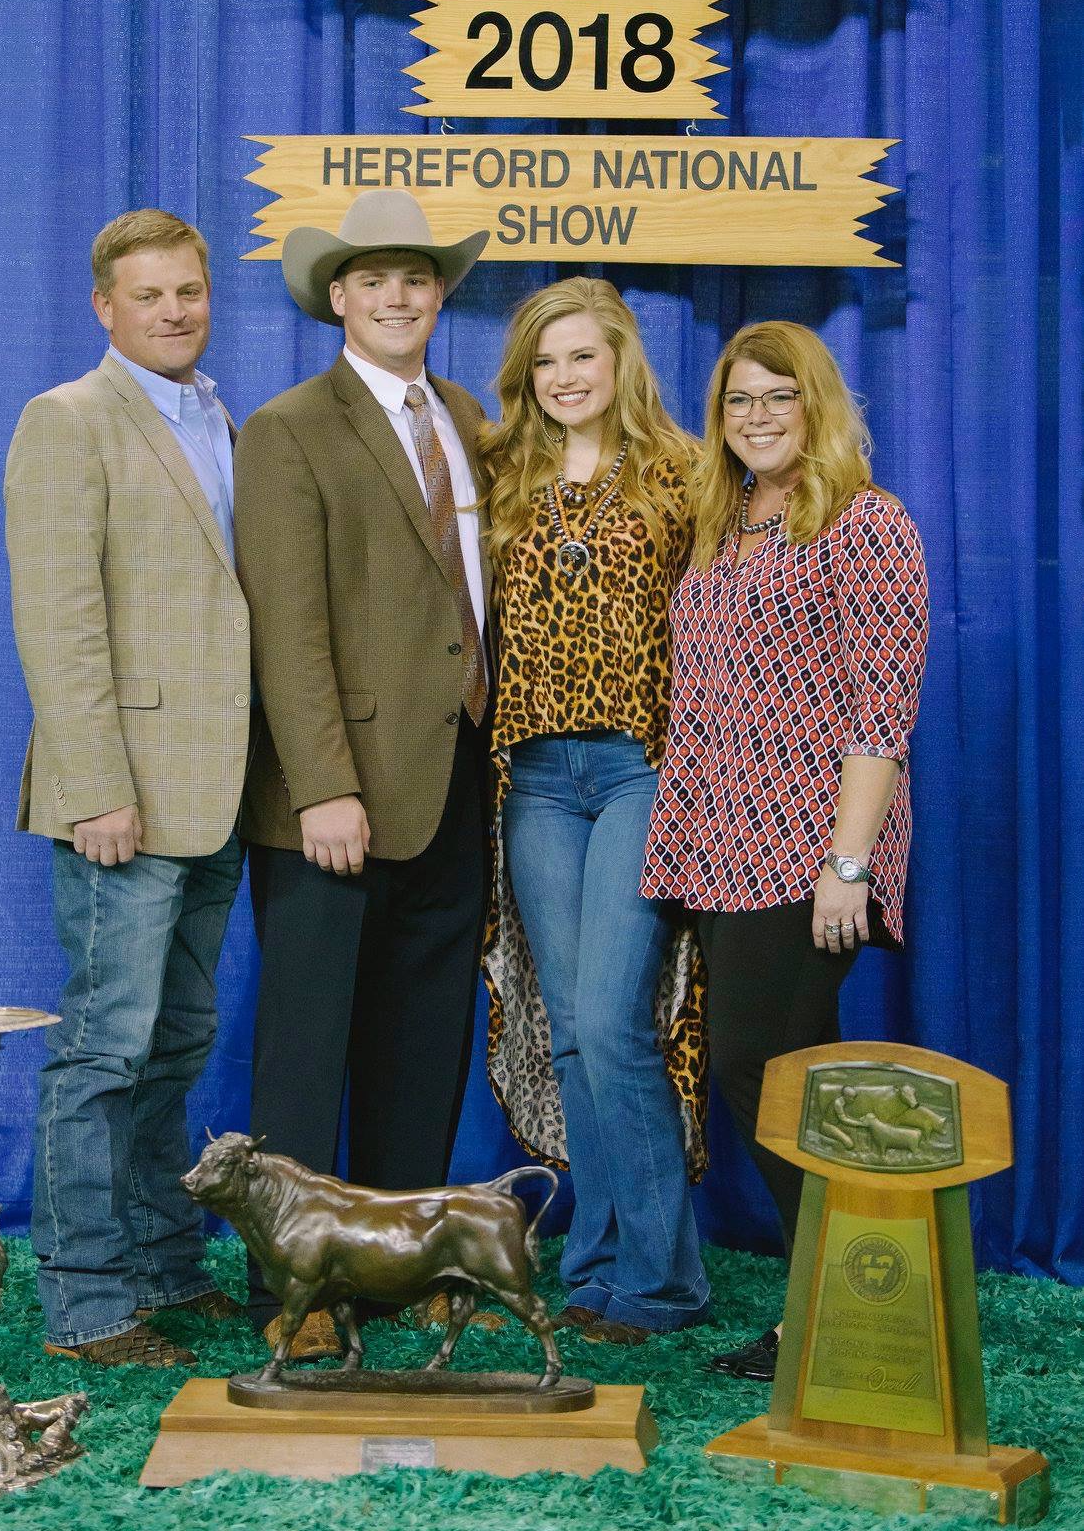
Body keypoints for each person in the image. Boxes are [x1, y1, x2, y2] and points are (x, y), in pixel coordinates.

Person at [642, 319, 929, 1381]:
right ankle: (840, 1306)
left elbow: (878, 711)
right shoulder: (726, 522)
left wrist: (847, 864)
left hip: (812, 846)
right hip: (721, 840)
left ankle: (849, 1305)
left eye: (777, 396)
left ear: (817, 405)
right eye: (736, 400)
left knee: (766, 1065)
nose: (755, 417)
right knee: (778, 1073)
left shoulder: (864, 522)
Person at [233, 190, 491, 1354]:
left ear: (440, 295)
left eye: (417, 278)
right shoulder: (290, 427)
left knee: (423, 1031)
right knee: (306, 1042)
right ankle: (293, 1297)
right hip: (335, 795)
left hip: (456, 772)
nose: (398, 297)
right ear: (336, 297)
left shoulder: (470, 417)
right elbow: (286, 628)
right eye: (375, 279)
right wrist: (321, 781)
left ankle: (398, 1266)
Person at [5, 208, 251, 1367]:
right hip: (124, 797)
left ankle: (163, 1261)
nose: (172, 311)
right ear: (103, 306)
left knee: (177, 1039)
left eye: (188, 291)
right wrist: (97, 784)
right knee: (105, 1045)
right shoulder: (67, 420)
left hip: (217, 789)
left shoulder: (218, 414)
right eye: (148, 295)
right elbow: (58, 621)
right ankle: (89, 1299)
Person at [478, 277, 710, 1346]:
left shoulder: (685, 474)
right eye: (545, 362)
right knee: (570, 1029)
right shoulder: (501, 473)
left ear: (621, 360)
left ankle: (662, 1280)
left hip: (637, 768)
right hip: (533, 775)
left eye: (583, 356)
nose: (564, 377)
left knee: (616, 1022)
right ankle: (599, 1261)